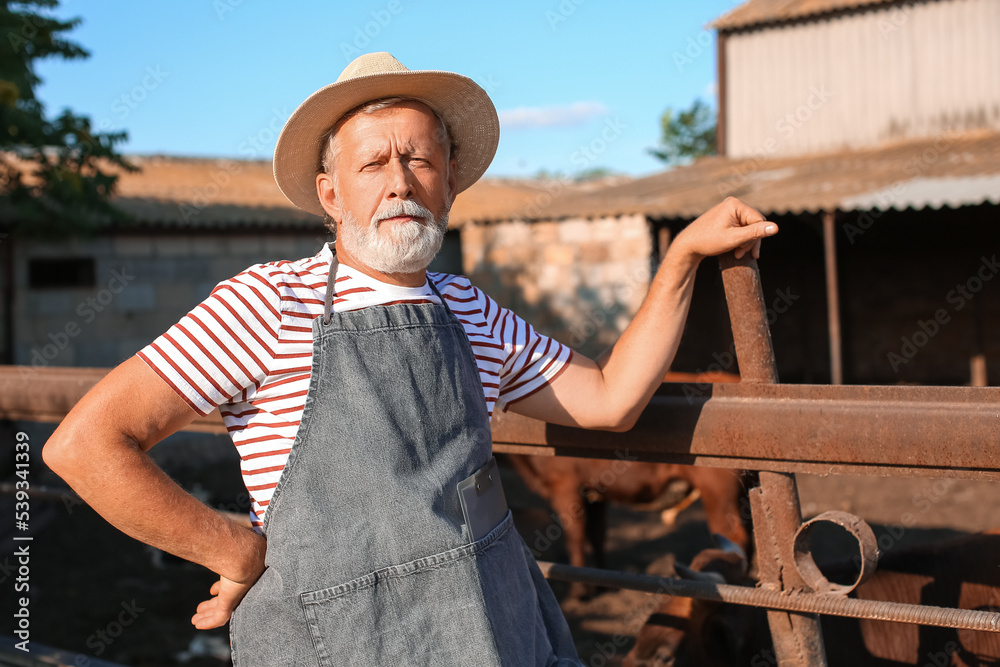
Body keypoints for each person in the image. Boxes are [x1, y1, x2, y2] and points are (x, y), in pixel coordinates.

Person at [42, 52, 778, 666]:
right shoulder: (268, 302)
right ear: (331, 194)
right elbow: (86, 444)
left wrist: (680, 257)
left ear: (451, 181)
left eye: (420, 158)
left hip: (497, 628)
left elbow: (612, 398)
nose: (400, 180)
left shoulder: (468, 307)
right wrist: (234, 550)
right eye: (373, 165)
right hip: (342, 642)